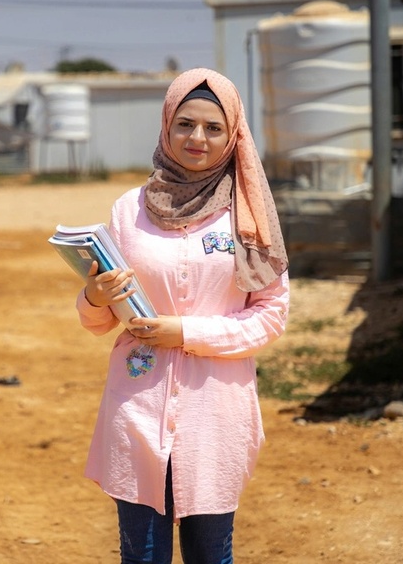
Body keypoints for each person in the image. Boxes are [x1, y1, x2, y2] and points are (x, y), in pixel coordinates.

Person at [75, 68, 290, 564]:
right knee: (142, 555)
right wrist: (94, 294)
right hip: (137, 408)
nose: (197, 138)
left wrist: (184, 332)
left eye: (213, 128)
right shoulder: (129, 211)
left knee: (211, 556)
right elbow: (98, 321)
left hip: (216, 412)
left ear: (232, 133)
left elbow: (271, 315)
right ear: (166, 127)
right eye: (185, 124)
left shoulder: (249, 214)